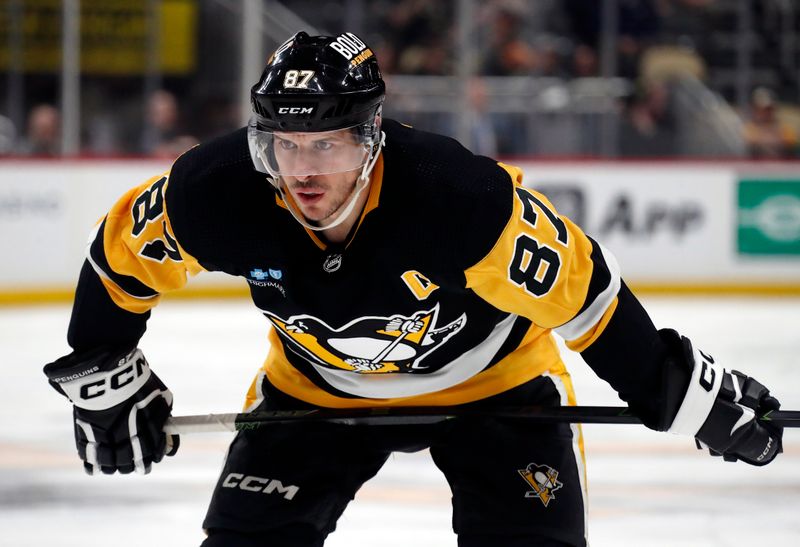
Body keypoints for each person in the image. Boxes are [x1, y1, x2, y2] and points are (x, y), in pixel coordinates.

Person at [43, 31, 782, 547]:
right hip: (319, 390)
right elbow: (120, 258)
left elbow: (585, 294)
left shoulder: (456, 196)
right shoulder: (219, 189)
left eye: (327, 145)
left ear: (370, 138)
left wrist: (680, 389)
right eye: (284, 145)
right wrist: (104, 373)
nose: (302, 171)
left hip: (495, 384)